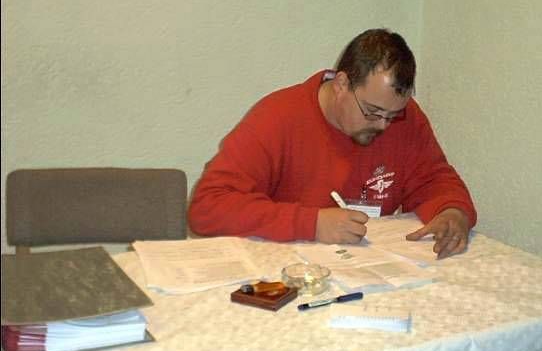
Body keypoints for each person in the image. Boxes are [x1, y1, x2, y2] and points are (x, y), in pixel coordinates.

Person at [188, 28, 476, 260]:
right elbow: (208, 206)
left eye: (393, 116)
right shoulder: (277, 117)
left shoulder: (406, 117)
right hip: (287, 276)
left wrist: (452, 211)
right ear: (341, 85)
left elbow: (434, 180)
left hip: (368, 272)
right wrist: (311, 223)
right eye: (372, 112)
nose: (383, 126)